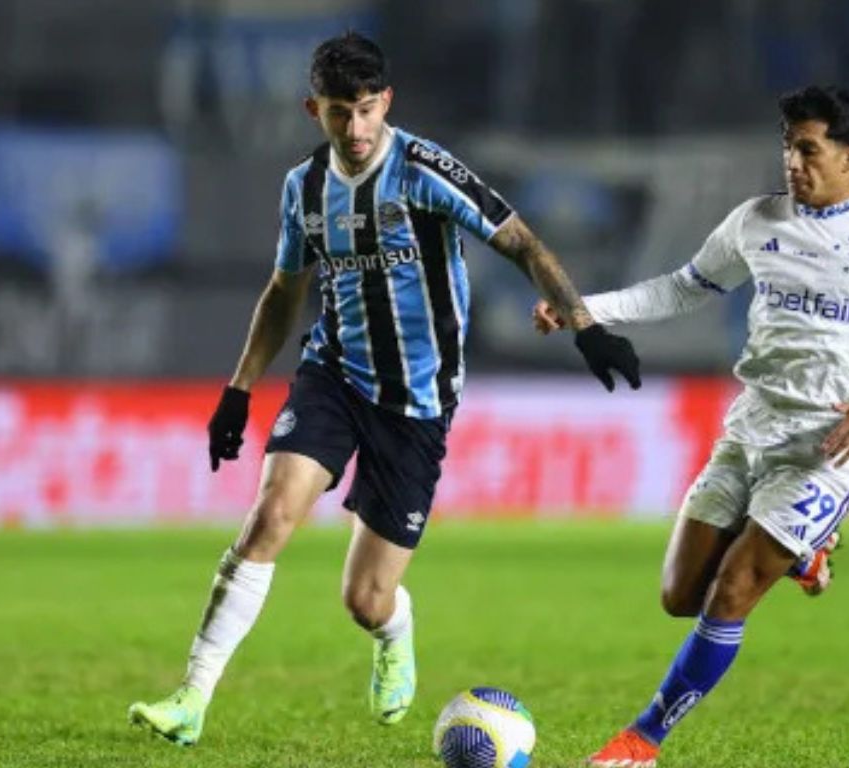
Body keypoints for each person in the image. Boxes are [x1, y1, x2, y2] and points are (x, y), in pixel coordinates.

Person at [127, 31, 641, 746]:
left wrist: (586, 325)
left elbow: (520, 240)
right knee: (270, 517)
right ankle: (191, 698)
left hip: (419, 403)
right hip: (333, 374)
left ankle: (394, 632)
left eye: (368, 109)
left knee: (365, 600)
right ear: (316, 110)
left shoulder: (427, 170)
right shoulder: (303, 189)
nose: (357, 128)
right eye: (341, 112)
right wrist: (239, 390)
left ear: (386, 103)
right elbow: (285, 290)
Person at [534, 85, 849, 768]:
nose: (794, 160)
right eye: (788, 145)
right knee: (680, 596)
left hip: (826, 444)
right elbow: (681, 287)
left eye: (809, 148)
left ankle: (642, 741)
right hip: (750, 427)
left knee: (731, 594)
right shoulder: (756, 221)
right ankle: (805, 552)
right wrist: (585, 308)